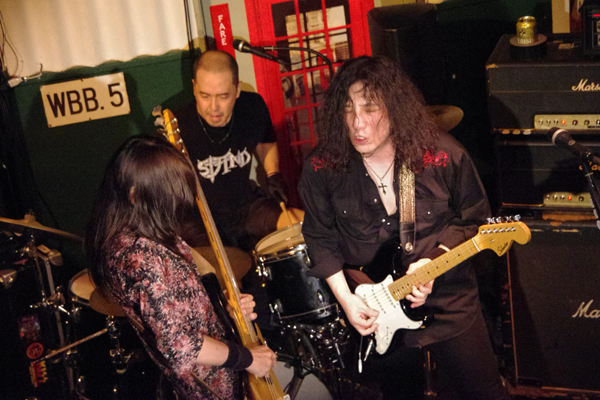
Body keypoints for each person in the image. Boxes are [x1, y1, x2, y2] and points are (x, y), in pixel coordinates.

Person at [298, 56, 509, 400]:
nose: (357, 123)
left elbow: (474, 218)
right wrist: (347, 300)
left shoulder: (443, 156)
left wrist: (434, 259)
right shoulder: (323, 167)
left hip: (448, 299)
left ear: (395, 108)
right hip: (375, 309)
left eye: (370, 108)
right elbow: (319, 236)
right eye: (348, 109)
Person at [84, 134, 277, 400]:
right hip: (212, 388)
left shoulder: (138, 231)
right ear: (135, 196)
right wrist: (248, 359)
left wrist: (221, 309)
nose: (178, 206)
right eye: (169, 197)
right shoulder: (141, 258)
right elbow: (181, 347)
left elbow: (174, 307)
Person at [175, 50, 303, 251]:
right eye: (204, 96)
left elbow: (265, 141)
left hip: (246, 206)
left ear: (237, 89)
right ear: (194, 88)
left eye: (223, 96)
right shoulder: (177, 126)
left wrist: (273, 175)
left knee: (302, 224)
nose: (213, 107)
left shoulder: (252, 107)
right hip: (202, 221)